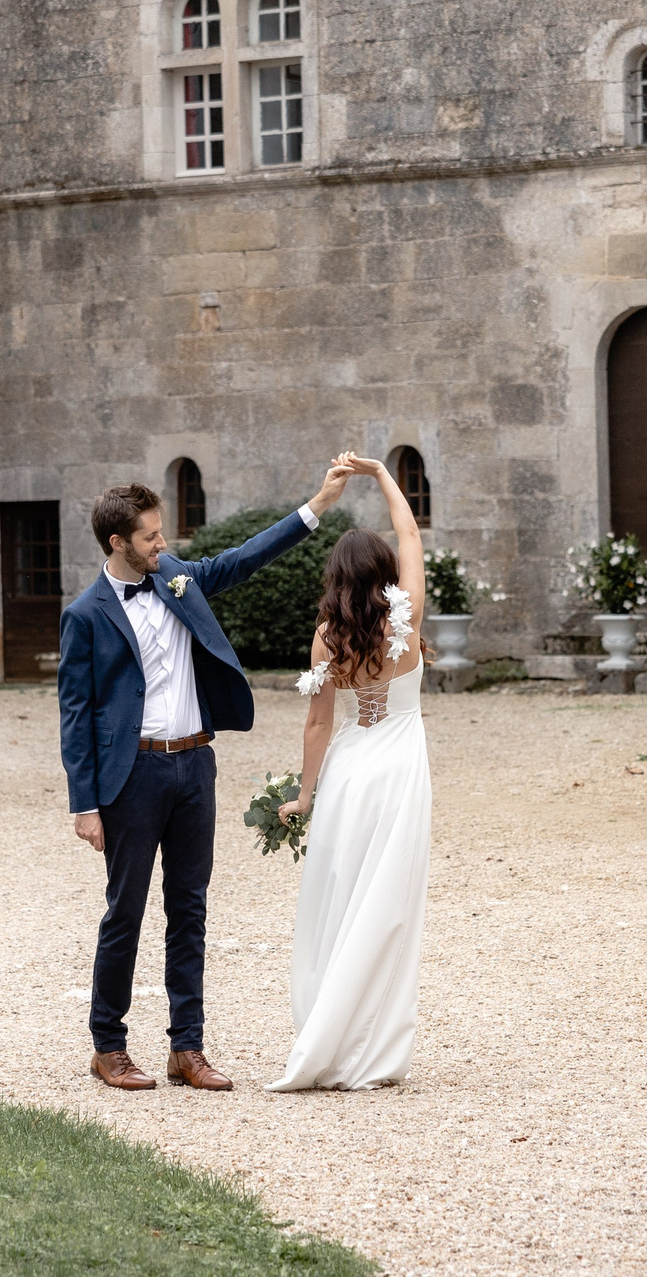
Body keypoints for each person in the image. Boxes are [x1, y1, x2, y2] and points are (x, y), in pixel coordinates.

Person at [59, 459, 355, 1093]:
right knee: (125, 913)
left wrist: (318, 505)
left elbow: (243, 560)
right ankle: (108, 1046)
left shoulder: (175, 579)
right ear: (118, 544)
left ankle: (185, 1048)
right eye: (150, 538)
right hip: (130, 775)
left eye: (161, 534)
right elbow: (75, 714)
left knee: (189, 908)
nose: (163, 545)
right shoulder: (85, 615)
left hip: (195, 765)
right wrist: (84, 805)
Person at [265, 451, 432, 1092]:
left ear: (335, 579)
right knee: (387, 906)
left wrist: (305, 797)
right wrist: (382, 474)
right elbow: (410, 531)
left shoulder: (328, 637)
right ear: (386, 573)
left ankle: (328, 1031)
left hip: (348, 772)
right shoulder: (405, 620)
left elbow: (316, 725)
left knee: (338, 900)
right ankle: (372, 1045)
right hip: (399, 769)